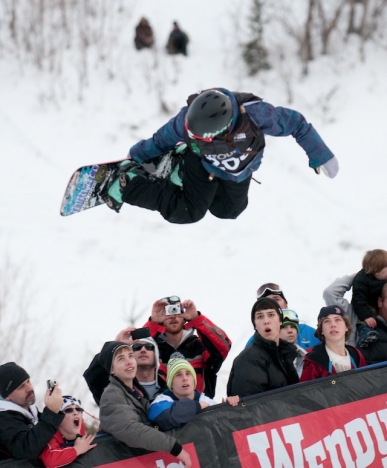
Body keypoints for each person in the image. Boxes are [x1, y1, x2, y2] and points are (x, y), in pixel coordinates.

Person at [103, 88, 338, 224]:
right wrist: (136, 157)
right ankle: (128, 184)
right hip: (202, 166)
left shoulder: (255, 114)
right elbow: (159, 141)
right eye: (193, 134)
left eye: (202, 137)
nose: (195, 136)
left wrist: (320, 155)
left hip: (239, 170)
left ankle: (181, 173)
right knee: (188, 212)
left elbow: (297, 123)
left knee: (229, 210)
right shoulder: (184, 122)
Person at [98, 341, 192, 467]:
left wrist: (197, 406)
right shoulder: (112, 396)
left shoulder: (136, 393)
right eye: (121, 359)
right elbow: (131, 431)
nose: (129, 361)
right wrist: (174, 447)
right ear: (112, 370)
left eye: (130, 356)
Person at [143, 296, 231, 398]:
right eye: (169, 311)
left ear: (184, 315)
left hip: (201, 411)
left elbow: (224, 347)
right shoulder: (152, 349)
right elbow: (133, 353)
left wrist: (197, 319)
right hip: (164, 410)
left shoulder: (199, 346)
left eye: (177, 310)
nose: (173, 316)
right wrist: (153, 323)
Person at [227, 298, 299, 398]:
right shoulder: (249, 359)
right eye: (260, 316)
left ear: (280, 321)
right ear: (255, 325)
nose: (266, 321)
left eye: (271, 315)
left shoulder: (286, 354)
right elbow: (250, 407)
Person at [148, 353, 239, 431]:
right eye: (178, 375)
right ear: (171, 383)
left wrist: (227, 409)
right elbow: (165, 417)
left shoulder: (207, 401)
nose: (185, 378)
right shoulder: (159, 402)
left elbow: (226, 428)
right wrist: (196, 406)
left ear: (194, 380)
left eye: (188, 374)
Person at [83, 327, 166, 404]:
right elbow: (92, 375)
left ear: (156, 354)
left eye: (149, 347)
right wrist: (116, 345)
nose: (143, 350)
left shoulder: (169, 390)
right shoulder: (116, 390)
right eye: (137, 347)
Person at [0, 362, 64, 462]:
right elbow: (27, 449)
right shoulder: (4, 419)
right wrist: (51, 412)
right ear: (7, 396)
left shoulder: (30, 411)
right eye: (21, 386)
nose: (29, 388)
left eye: (28, 381)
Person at [324, 277, 387, 363]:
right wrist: (365, 274)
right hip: (361, 374)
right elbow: (331, 293)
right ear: (380, 301)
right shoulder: (358, 319)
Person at [300, 306, 366, 382]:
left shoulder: (356, 355)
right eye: (327, 321)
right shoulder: (313, 361)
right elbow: (305, 392)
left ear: (346, 327)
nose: (333, 325)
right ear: (321, 330)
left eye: (337, 320)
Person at [245, 283, 320, 350]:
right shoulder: (255, 342)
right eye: (268, 303)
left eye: (276, 299)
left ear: (286, 305)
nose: (273, 305)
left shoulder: (308, 332)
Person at [40, 396, 96, 468]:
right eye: (68, 410)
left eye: (78, 409)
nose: (76, 412)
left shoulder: (82, 432)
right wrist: (77, 449)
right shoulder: (48, 435)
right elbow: (51, 460)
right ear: (58, 418)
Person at [351, 249, 387, 347]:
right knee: (365, 323)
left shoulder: (383, 278)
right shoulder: (361, 281)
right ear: (376, 270)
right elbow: (358, 301)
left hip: (378, 306)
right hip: (365, 307)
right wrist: (366, 316)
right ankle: (365, 335)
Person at [279, 310, 307, 377]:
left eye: (293, 327)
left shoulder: (304, 355)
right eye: (284, 327)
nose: (290, 331)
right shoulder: (270, 357)